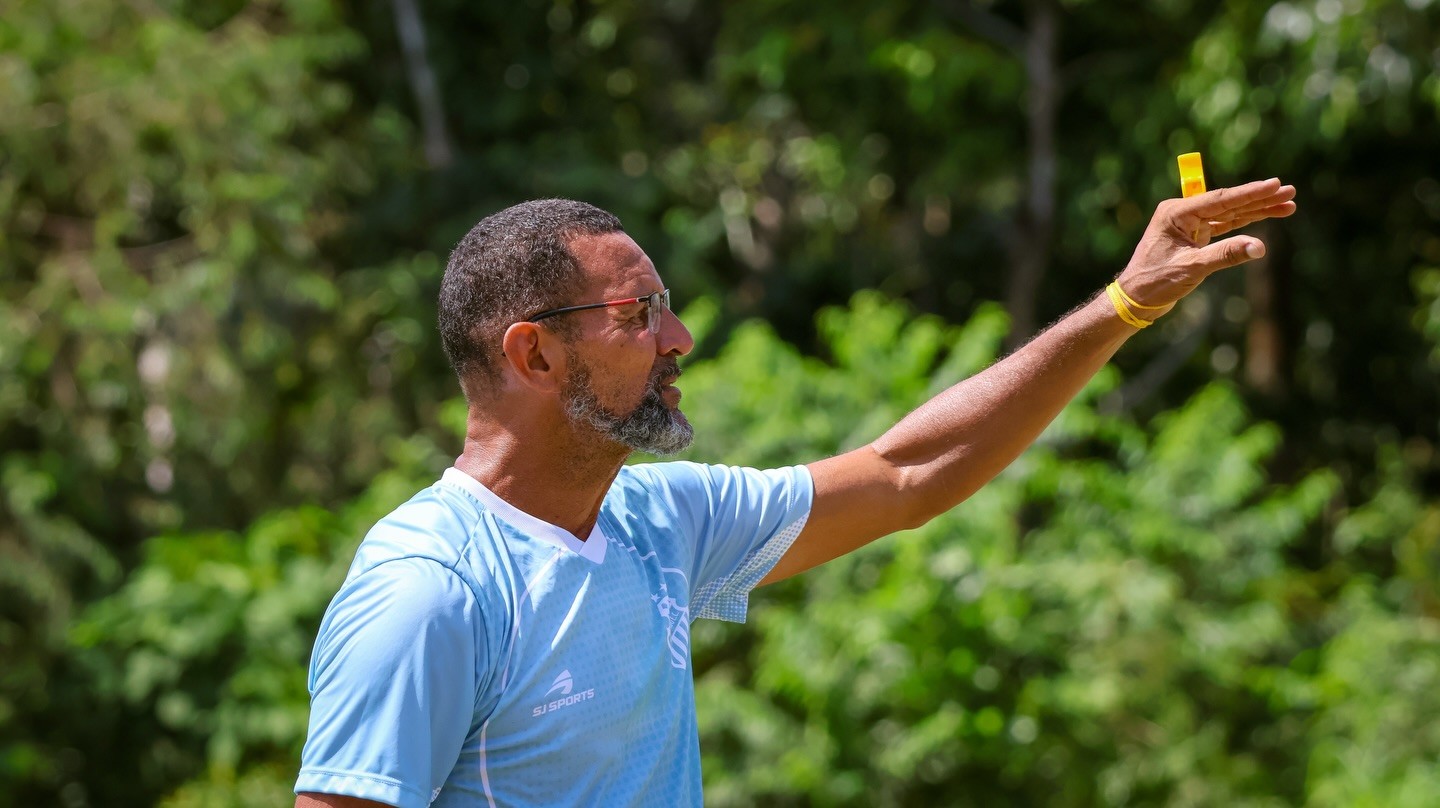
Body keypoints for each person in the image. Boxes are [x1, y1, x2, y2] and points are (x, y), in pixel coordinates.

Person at [294, 181, 1296, 808]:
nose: (678, 337)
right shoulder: (431, 590)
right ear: (535, 351)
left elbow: (907, 473)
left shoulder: (659, 523)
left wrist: (1123, 306)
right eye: (638, 313)